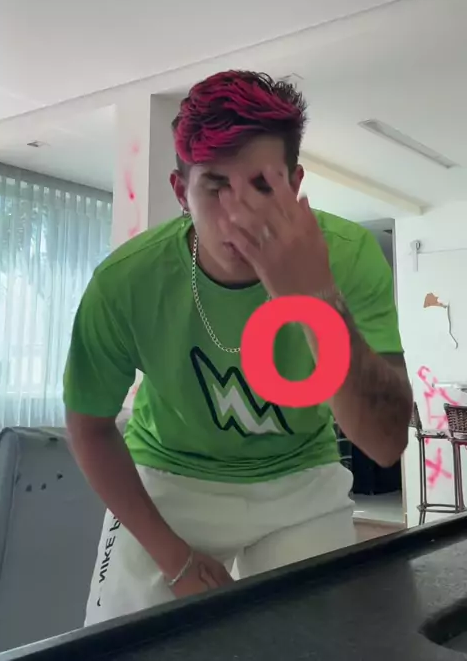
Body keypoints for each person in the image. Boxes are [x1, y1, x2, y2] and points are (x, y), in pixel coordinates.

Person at [64, 70, 412, 626]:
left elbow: (386, 442)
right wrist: (176, 560)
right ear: (181, 192)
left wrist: (315, 297)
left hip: (300, 475)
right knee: (122, 644)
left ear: (295, 184)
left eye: (262, 186)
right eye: (215, 185)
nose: (238, 214)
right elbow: (89, 428)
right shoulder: (126, 281)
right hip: (169, 474)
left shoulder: (348, 257)